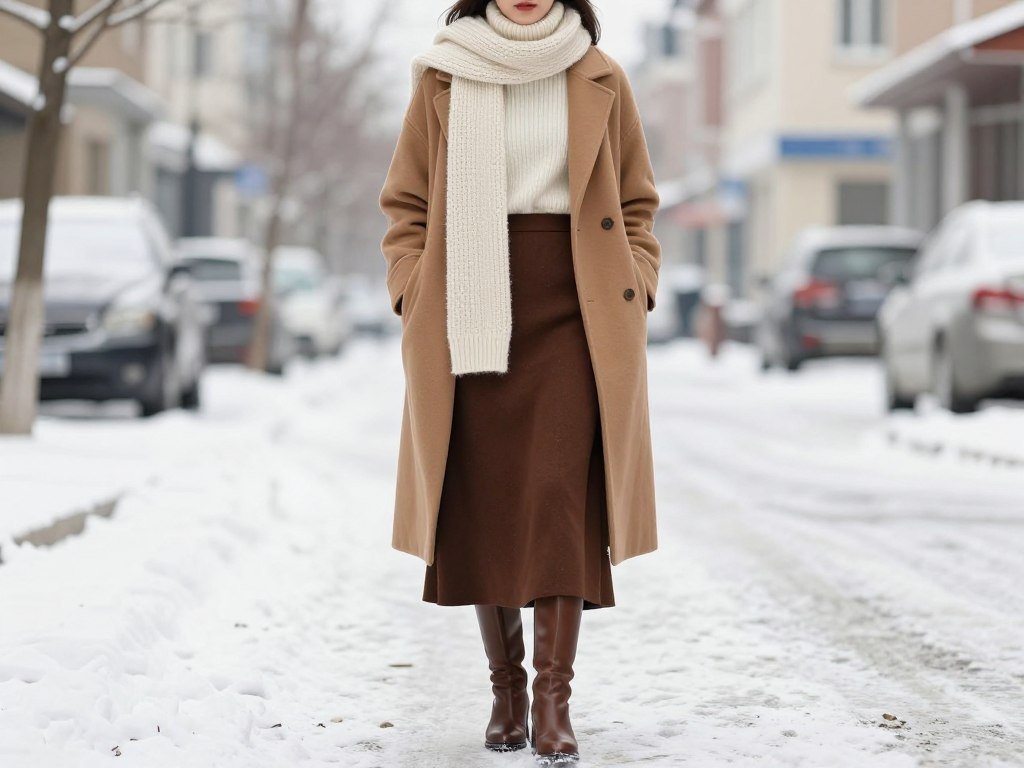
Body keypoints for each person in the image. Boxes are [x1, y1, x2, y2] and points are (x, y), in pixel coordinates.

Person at [378, 1, 661, 764]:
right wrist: (413, 288)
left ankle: (551, 701)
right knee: (491, 498)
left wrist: (639, 280)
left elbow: (637, 204)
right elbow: (404, 206)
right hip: (468, 302)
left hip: (577, 309)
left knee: (559, 498)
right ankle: (504, 689)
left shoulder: (599, 74)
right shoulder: (444, 74)